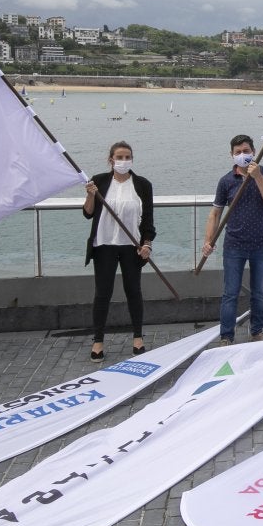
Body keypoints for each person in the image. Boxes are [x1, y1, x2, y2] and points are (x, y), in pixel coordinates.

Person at [203, 134, 263, 345]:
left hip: (262, 244)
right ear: (232, 155)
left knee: (259, 292)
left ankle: (257, 331)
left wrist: (258, 177)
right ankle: (226, 336)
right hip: (234, 245)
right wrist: (208, 241)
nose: (242, 155)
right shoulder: (226, 181)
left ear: (254, 152)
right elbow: (215, 213)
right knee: (230, 293)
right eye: (238, 152)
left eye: (246, 151)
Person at [83, 141, 155, 362]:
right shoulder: (99, 181)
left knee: (133, 291)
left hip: (131, 246)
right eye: (119, 157)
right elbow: (88, 213)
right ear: (111, 160)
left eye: (127, 157)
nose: (124, 161)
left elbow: (148, 219)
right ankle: (98, 341)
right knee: (102, 293)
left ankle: (138, 338)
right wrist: (90, 195)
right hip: (104, 245)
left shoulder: (142, 185)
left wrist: (147, 244)